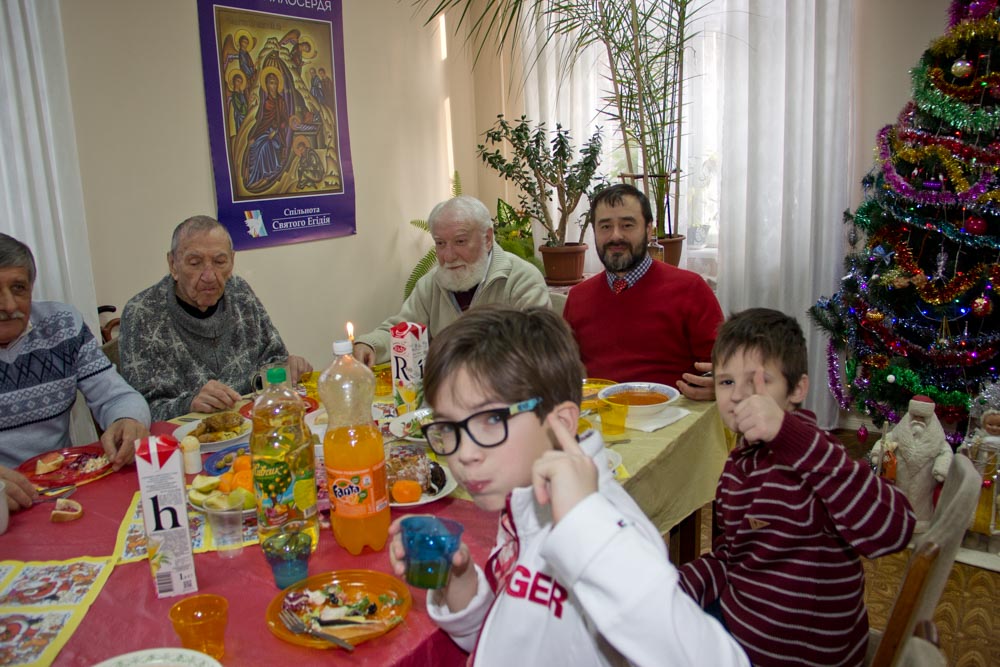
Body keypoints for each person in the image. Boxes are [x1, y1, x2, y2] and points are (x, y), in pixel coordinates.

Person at [386, 305, 749, 667]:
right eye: (448, 427)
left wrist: (588, 529)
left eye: (492, 420)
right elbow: (517, 639)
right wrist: (459, 584)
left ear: (560, 422)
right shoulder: (525, 501)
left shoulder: (605, 532)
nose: (464, 454)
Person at [676, 308, 915, 667]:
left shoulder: (817, 455)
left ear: (797, 389)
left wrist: (791, 435)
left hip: (794, 654)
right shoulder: (739, 464)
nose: (738, 396)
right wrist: (672, 588)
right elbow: (732, 558)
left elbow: (895, 529)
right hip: (742, 623)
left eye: (759, 381)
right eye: (726, 382)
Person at [0, 234, 150, 512]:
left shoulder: (62, 325)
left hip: (62, 491)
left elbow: (118, 396)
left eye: (18, 288)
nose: (9, 306)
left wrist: (128, 420)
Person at [119, 216, 311, 421]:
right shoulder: (142, 314)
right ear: (173, 264)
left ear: (232, 261)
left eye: (220, 262)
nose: (209, 276)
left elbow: (272, 360)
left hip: (252, 424)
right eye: (195, 263)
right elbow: (138, 413)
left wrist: (287, 367)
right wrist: (189, 404)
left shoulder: (239, 292)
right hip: (188, 435)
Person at [562, 184, 723, 399]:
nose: (615, 236)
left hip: (672, 413)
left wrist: (721, 383)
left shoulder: (691, 289)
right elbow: (563, 370)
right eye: (605, 226)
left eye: (627, 225)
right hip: (599, 414)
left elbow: (723, 367)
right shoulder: (578, 297)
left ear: (649, 230)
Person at [353, 196, 551, 366]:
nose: (448, 256)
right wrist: (370, 345)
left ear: (487, 239)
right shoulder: (431, 284)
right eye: (440, 243)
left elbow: (537, 350)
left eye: (460, 241)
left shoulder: (521, 279)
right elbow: (403, 330)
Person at [869, 395, 952, 532]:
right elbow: (885, 440)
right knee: (898, 499)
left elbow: (945, 452)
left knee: (921, 502)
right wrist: (878, 454)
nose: (918, 420)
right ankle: (896, 520)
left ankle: (919, 523)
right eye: (915, 417)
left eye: (922, 417)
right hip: (900, 477)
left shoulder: (937, 438)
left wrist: (941, 468)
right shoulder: (899, 432)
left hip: (925, 481)